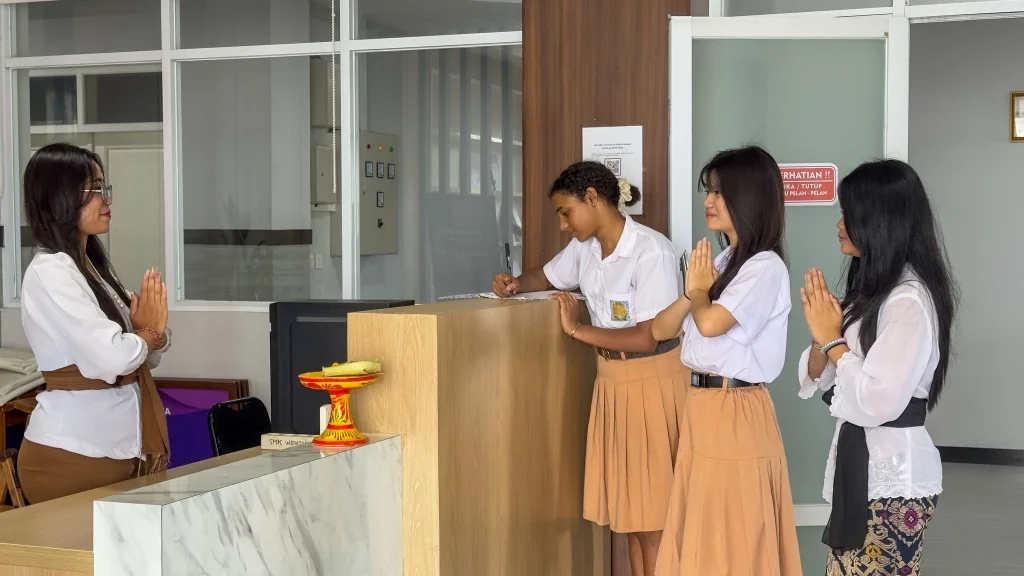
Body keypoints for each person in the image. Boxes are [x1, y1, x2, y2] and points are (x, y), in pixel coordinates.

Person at [492, 161, 686, 576]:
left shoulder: (651, 250)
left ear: (593, 198)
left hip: (652, 380)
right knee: (633, 519)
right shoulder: (586, 248)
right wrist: (515, 284)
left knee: (653, 520)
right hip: (613, 382)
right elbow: (546, 276)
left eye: (566, 212)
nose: (563, 225)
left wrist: (577, 330)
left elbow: (647, 337)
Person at [798, 159, 958, 576]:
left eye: (849, 215)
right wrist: (822, 335)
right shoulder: (873, 290)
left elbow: (877, 399)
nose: (839, 225)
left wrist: (832, 339)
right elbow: (820, 376)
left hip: (893, 480)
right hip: (862, 471)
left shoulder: (908, 300)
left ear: (880, 222)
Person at [652, 146, 802, 576]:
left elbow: (711, 323)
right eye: (709, 191)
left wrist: (700, 292)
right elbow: (661, 330)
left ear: (749, 197)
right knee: (704, 530)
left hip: (735, 409)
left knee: (732, 534)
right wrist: (692, 292)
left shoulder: (765, 266)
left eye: (719, 192)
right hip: (703, 408)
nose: (708, 201)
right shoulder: (722, 261)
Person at [16, 143, 172, 504]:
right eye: (95, 189)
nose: (107, 199)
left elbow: (143, 355)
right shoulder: (50, 271)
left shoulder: (90, 267)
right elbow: (114, 358)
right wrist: (148, 334)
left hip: (117, 449)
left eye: (105, 187)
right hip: (72, 455)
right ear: (60, 197)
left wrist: (149, 336)